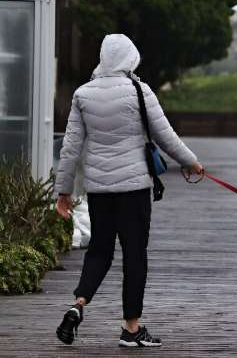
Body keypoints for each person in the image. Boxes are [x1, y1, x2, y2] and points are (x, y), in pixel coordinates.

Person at [54, 34, 204, 348]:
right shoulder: (139, 90)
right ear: (129, 58)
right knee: (134, 255)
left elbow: (70, 148)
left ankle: (78, 304)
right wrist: (190, 162)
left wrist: (63, 191)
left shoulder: (83, 94)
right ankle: (131, 329)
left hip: (99, 189)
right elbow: (165, 135)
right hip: (134, 189)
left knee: (100, 251)